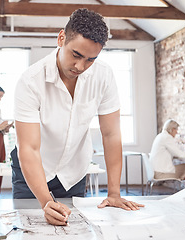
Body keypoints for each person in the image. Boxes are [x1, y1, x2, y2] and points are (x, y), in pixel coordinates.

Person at [12, 8, 144, 226]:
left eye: (91, 59)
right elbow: (29, 148)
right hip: (32, 171)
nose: (80, 67)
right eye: (76, 55)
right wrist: (46, 202)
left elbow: (111, 134)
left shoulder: (104, 76)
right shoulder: (30, 81)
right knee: (31, 230)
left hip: (72, 171)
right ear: (61, 38)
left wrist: (113, 193)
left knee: (72, 230)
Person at [149, 119, 185, 187]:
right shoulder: (167, 137)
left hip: (155, 172)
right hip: (162, 173)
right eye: (176, 130)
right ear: (172, 129)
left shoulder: (160, 136)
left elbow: (175, 152)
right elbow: (178, 153)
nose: (177, 132)